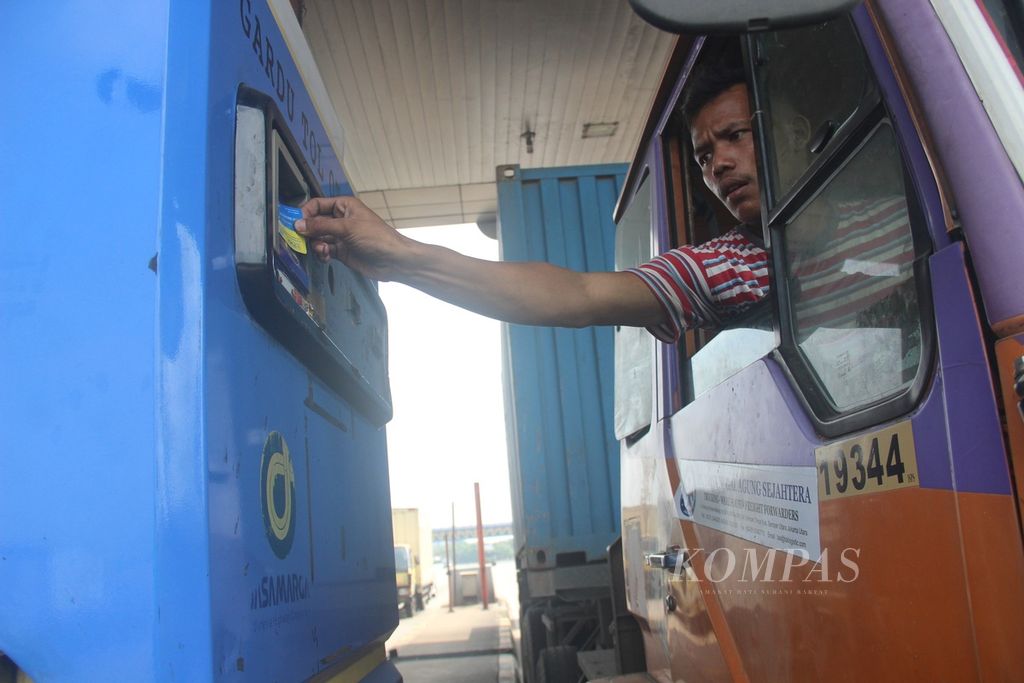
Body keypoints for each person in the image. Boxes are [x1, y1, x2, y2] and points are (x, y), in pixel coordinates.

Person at [295, 68, 770, 342]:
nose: (719, 166)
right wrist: (401, 257)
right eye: (704, 156)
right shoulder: (723, 266)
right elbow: (578, 295)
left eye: (735, 136)